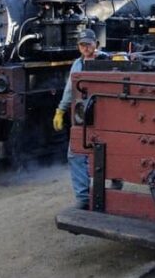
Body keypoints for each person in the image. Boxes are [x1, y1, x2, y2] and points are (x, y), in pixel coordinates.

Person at [53, 29, 106, 209]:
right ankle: (83, 197)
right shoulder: (77, 64)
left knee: (112, 152)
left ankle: (116, 184)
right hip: (84, 115)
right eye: (82, 45)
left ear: (96, 44)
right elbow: (70, 90)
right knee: (75, 153)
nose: (85, 47)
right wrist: (60, 110)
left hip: (107, 114)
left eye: (88, 44)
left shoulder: (106, 60)